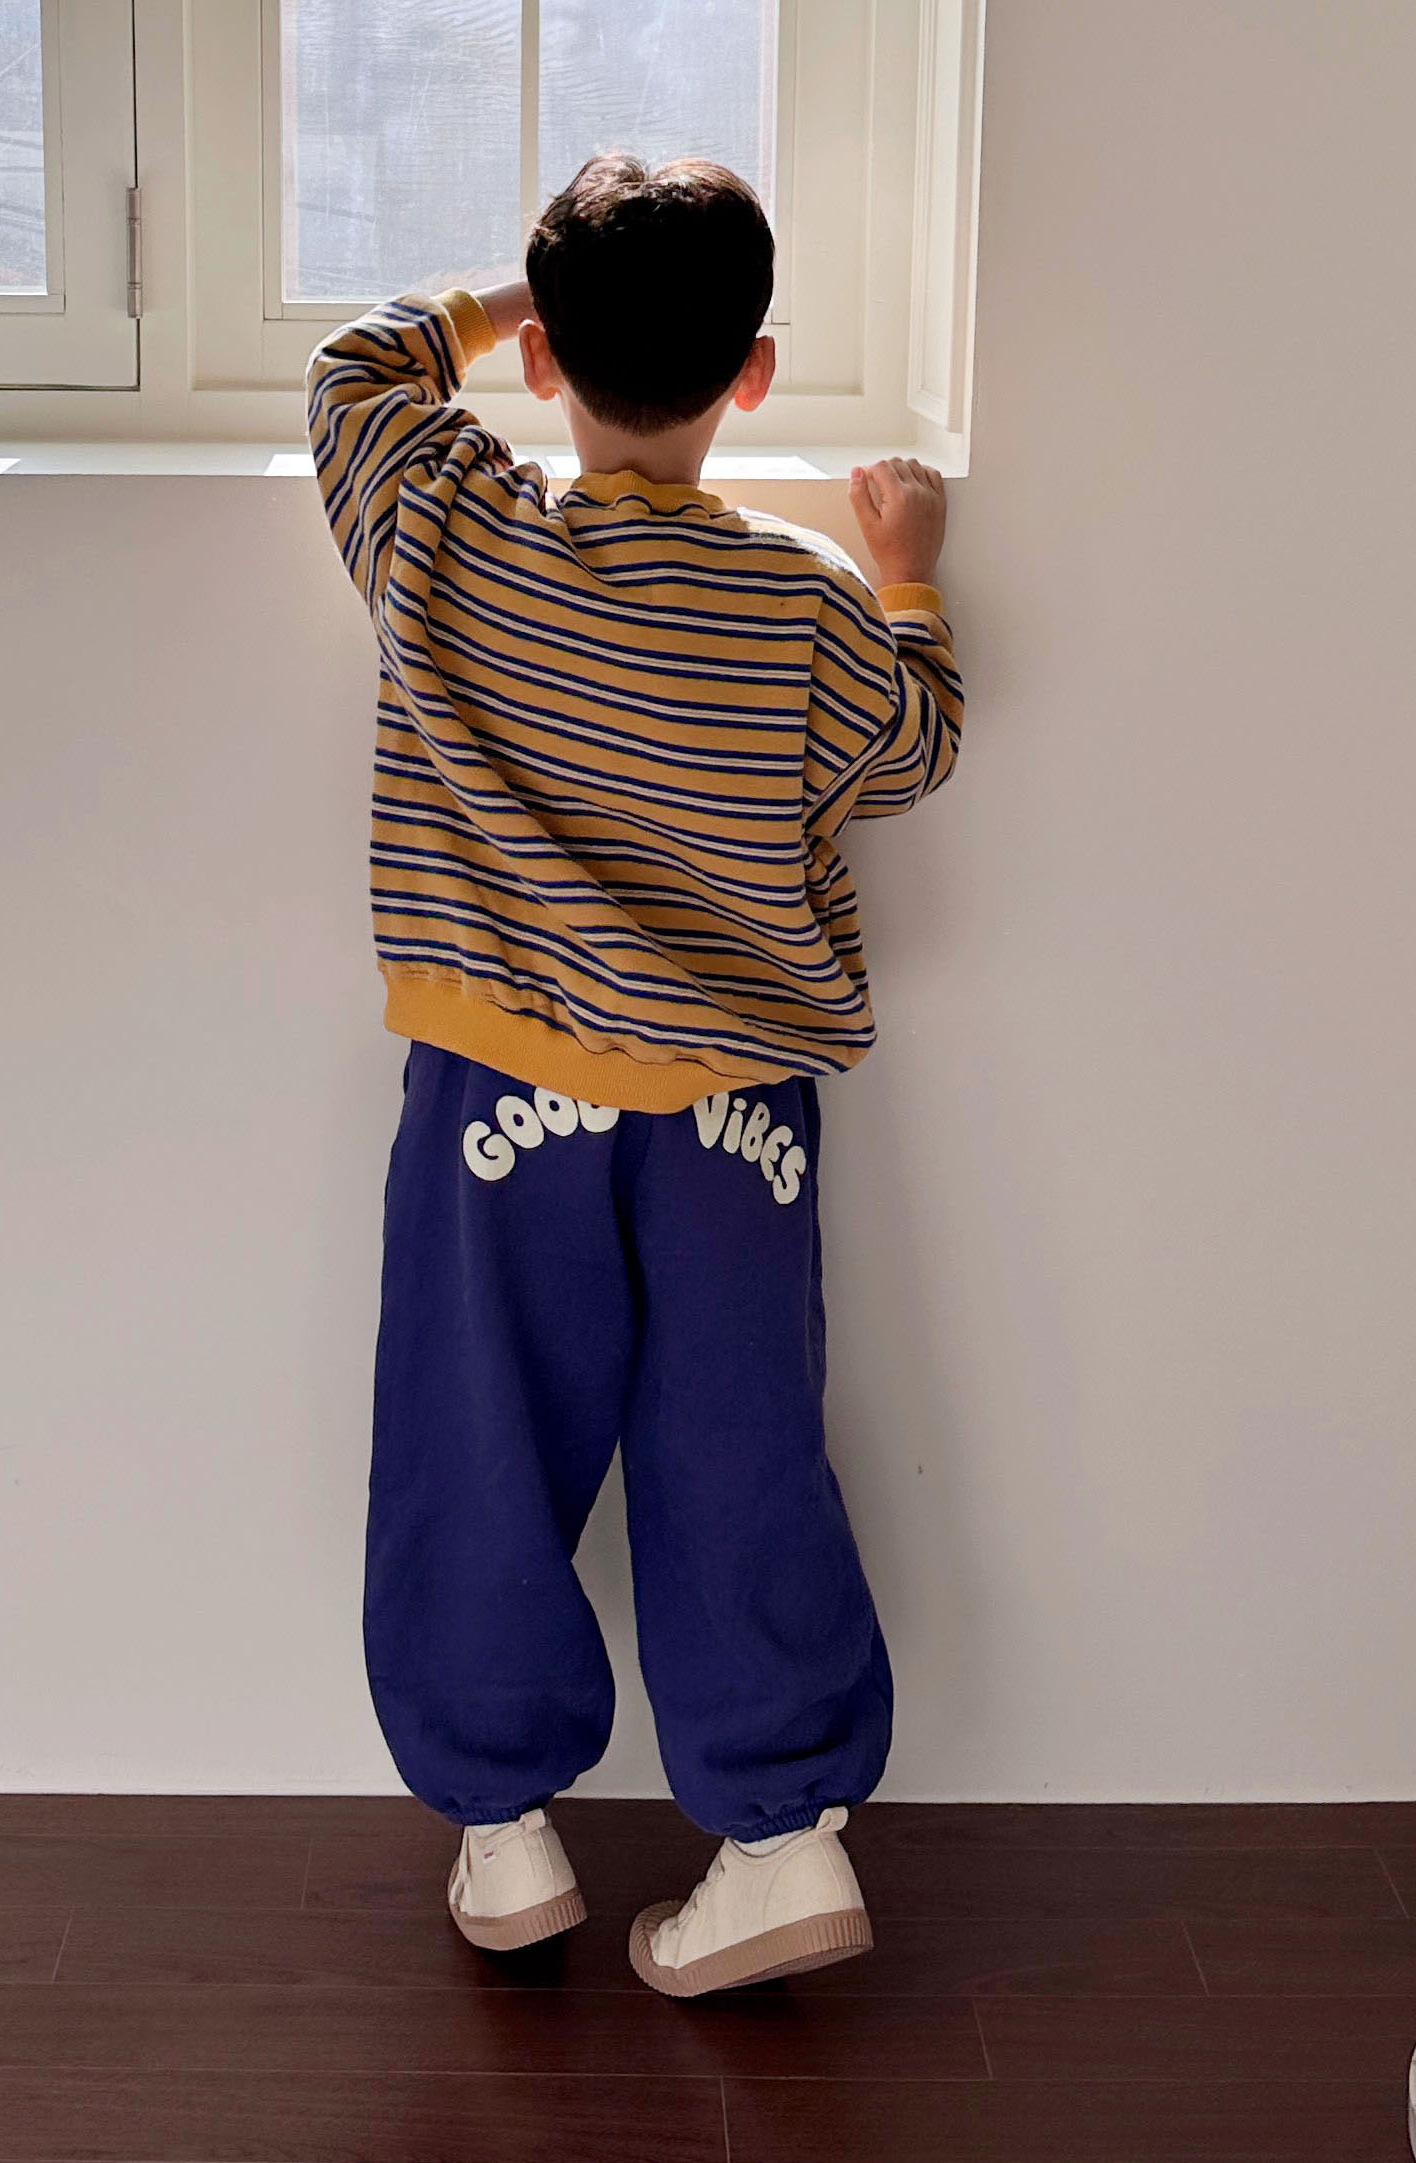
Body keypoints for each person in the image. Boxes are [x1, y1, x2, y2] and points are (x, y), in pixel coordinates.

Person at [306, 152, 963, 1998]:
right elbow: (916, 747)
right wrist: (909, 576)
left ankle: (505, 1828)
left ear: (544, 361)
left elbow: (352, 375)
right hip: (735, 1115)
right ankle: (778, 1839)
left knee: (478, 1435)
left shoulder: (452, 533)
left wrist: (510, 300)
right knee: (740, 1444)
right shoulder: (805, 609)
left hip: (496, 1103)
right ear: (754, 373)